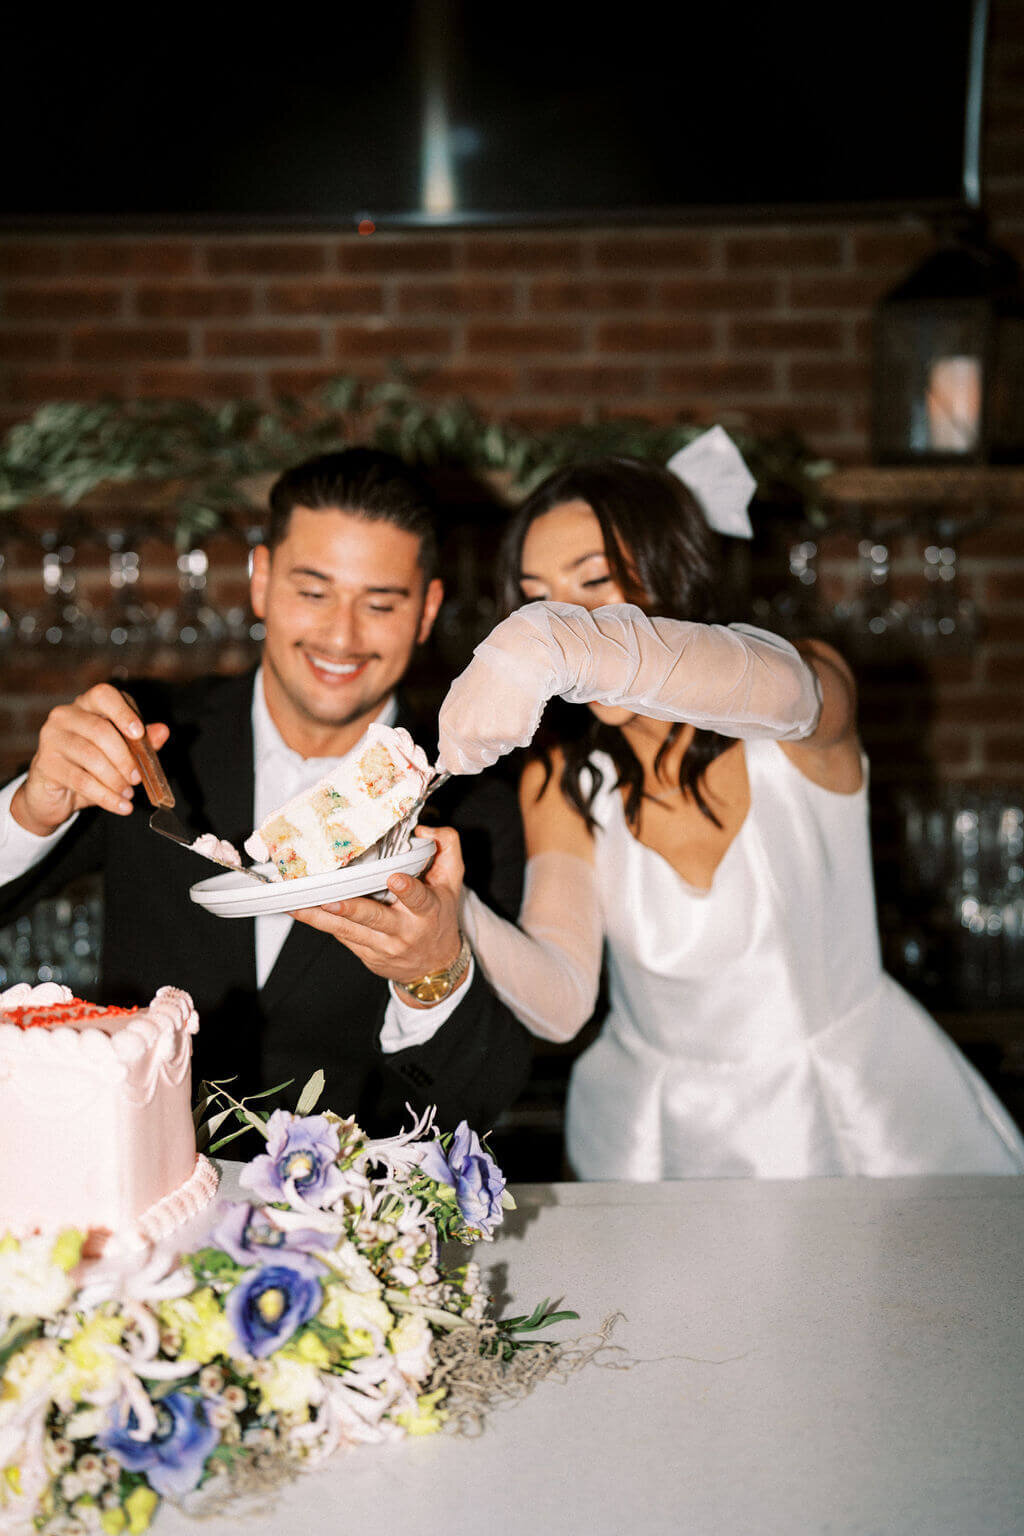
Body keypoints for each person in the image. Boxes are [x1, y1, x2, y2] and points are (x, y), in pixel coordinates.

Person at [435, 450, 1024, 1179]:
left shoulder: (800, 697)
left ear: (672, 571)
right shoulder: (564, 774)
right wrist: (450, 907)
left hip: (858, 1123)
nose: (565, 620)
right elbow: (560, 1002)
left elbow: (783, 691)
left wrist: (557, 642)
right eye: (537, 601)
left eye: (594, 583)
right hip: (653, 1141)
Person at [0, 449, 532, 1135]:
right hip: (142, 1176)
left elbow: (485, 1094)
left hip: (355, 1214)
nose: (341, 635)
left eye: (380, 603)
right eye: (313, 592)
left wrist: (433, 975)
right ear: (260, 582)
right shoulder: (151, 741)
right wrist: (29, 809)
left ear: (427, 608)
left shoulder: (477, 806)